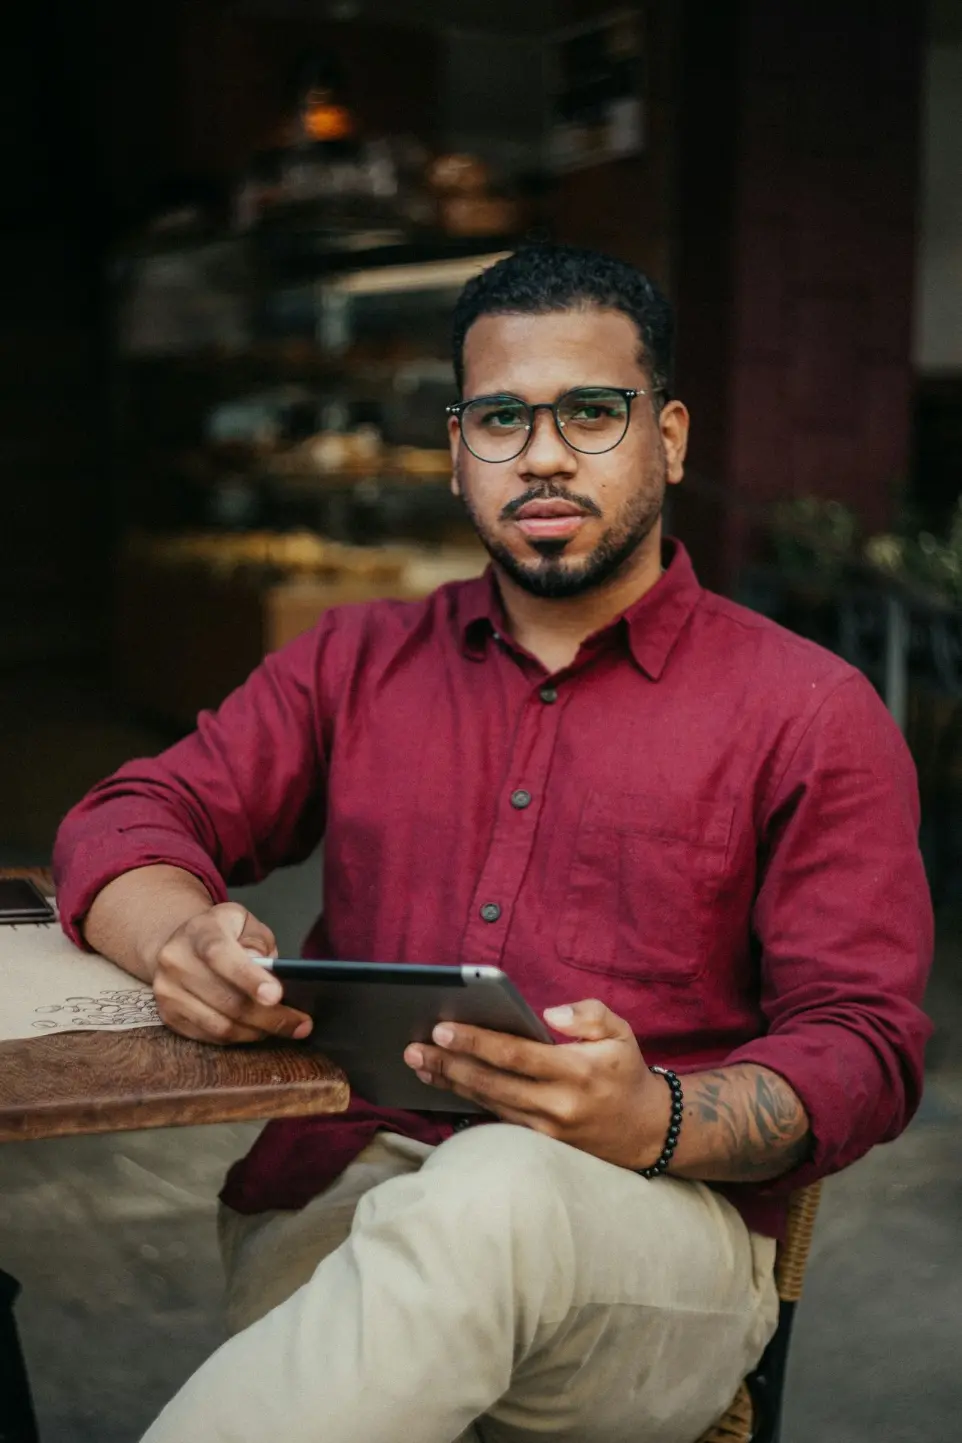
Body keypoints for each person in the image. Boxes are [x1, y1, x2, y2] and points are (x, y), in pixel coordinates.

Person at [54, 244, 933, 1443]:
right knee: (429, 1264)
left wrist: (655, 1117)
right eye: (500, 418)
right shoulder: (353, 660)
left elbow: (867, 1046)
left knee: (499, 1184)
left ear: (666, 438)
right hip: (340, 1198)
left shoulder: (811, 713)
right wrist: (177, 939)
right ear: (456, 453)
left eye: (590, 412)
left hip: (654, 1230)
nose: (543, 452)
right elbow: (125, 817)